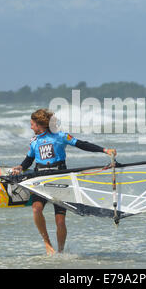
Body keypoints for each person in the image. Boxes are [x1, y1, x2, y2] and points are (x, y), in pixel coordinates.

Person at [11, 109, 116, 255]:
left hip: (60, 178)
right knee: (36, 209)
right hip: (40, 180)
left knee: (60, 221)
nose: (31, 127)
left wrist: (105, 150)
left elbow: (81, 144)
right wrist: (21, 167)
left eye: (32, 124)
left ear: (40, 124)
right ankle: (47, 243)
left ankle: (60, 251)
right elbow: (29, 159)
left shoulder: (60, 136)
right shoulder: (34, 141)